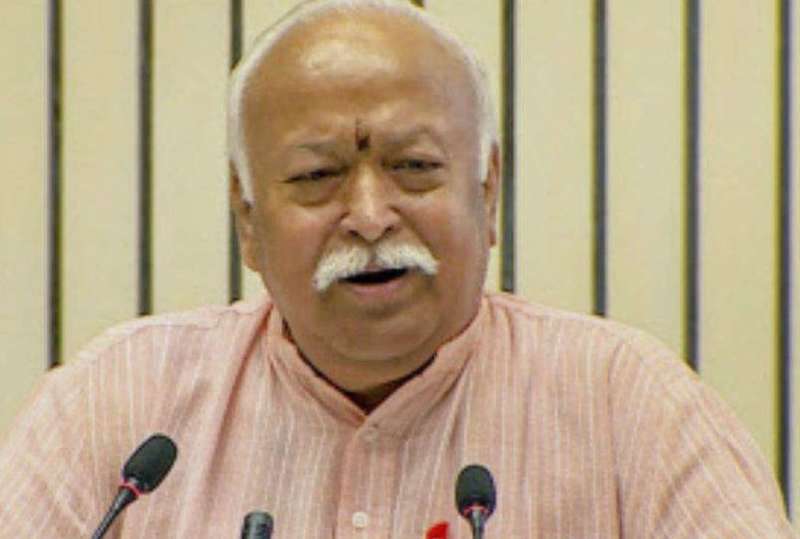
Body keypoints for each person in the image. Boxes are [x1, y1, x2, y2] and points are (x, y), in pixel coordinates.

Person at [0, 0, 795, 536]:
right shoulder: (117, 409)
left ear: (487, 192)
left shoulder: (633, 411)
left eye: (414, 167)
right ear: (247, 221)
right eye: (317, 176)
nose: (371, 216)